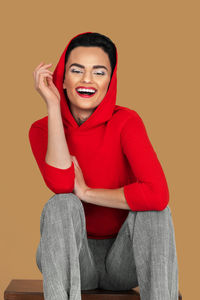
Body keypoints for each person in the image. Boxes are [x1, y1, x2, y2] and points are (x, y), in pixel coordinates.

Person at [28, 32, 179, 300]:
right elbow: (62, 185)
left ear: (110, 80)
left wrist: (87, 192)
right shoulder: (41, 129)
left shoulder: (126, 122)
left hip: (124, 260)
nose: (87, 80)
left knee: (156, 212)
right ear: (62, 78)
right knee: (61, 203)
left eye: (99, 72)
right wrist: (53, 106)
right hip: (73, 258)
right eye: (77, 70)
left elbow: (158, 194)